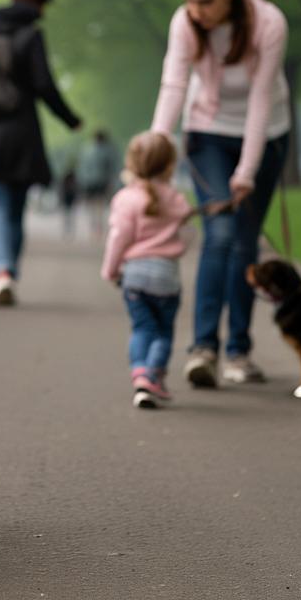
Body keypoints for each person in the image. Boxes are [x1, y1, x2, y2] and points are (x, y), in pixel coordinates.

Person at [150, 0, 291, 388]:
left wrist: (247, 171)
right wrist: (155, 151)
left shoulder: (269, 23)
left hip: (266, 135)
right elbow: (174, 84)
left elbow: (261, 101)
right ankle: (204, 349)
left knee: (246, 243)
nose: (196, 11)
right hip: (207, 131)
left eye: (205, 1)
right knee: (221, 234)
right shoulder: (184, 22)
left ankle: (239, 352)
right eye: (189, 0)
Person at [0, 0, 82, 306]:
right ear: (37, 6)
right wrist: (70, 119)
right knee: (15, 207)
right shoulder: (31, 35)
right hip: (21, 131)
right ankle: (8, 272)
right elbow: (44, 84)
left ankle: (1, 273)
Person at [101, 133, 192, 409]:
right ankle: (154, 376)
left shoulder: (126, 198)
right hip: (167, 278)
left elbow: (120, 237)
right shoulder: (176, 199)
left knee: (142, 328)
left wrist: (111, 270)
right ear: (170, 166)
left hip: (136, 278)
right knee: (163, 332)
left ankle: (141, 374)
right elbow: (189, 234)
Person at [76, 130, 118, 240]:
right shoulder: (109, 150)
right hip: (101, 181)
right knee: (100, 206)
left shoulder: (86, 149)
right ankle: (98, 228)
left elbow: (82, 167)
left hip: (89, 182)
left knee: (92, 206)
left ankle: (94, 227)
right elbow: (112, 167)